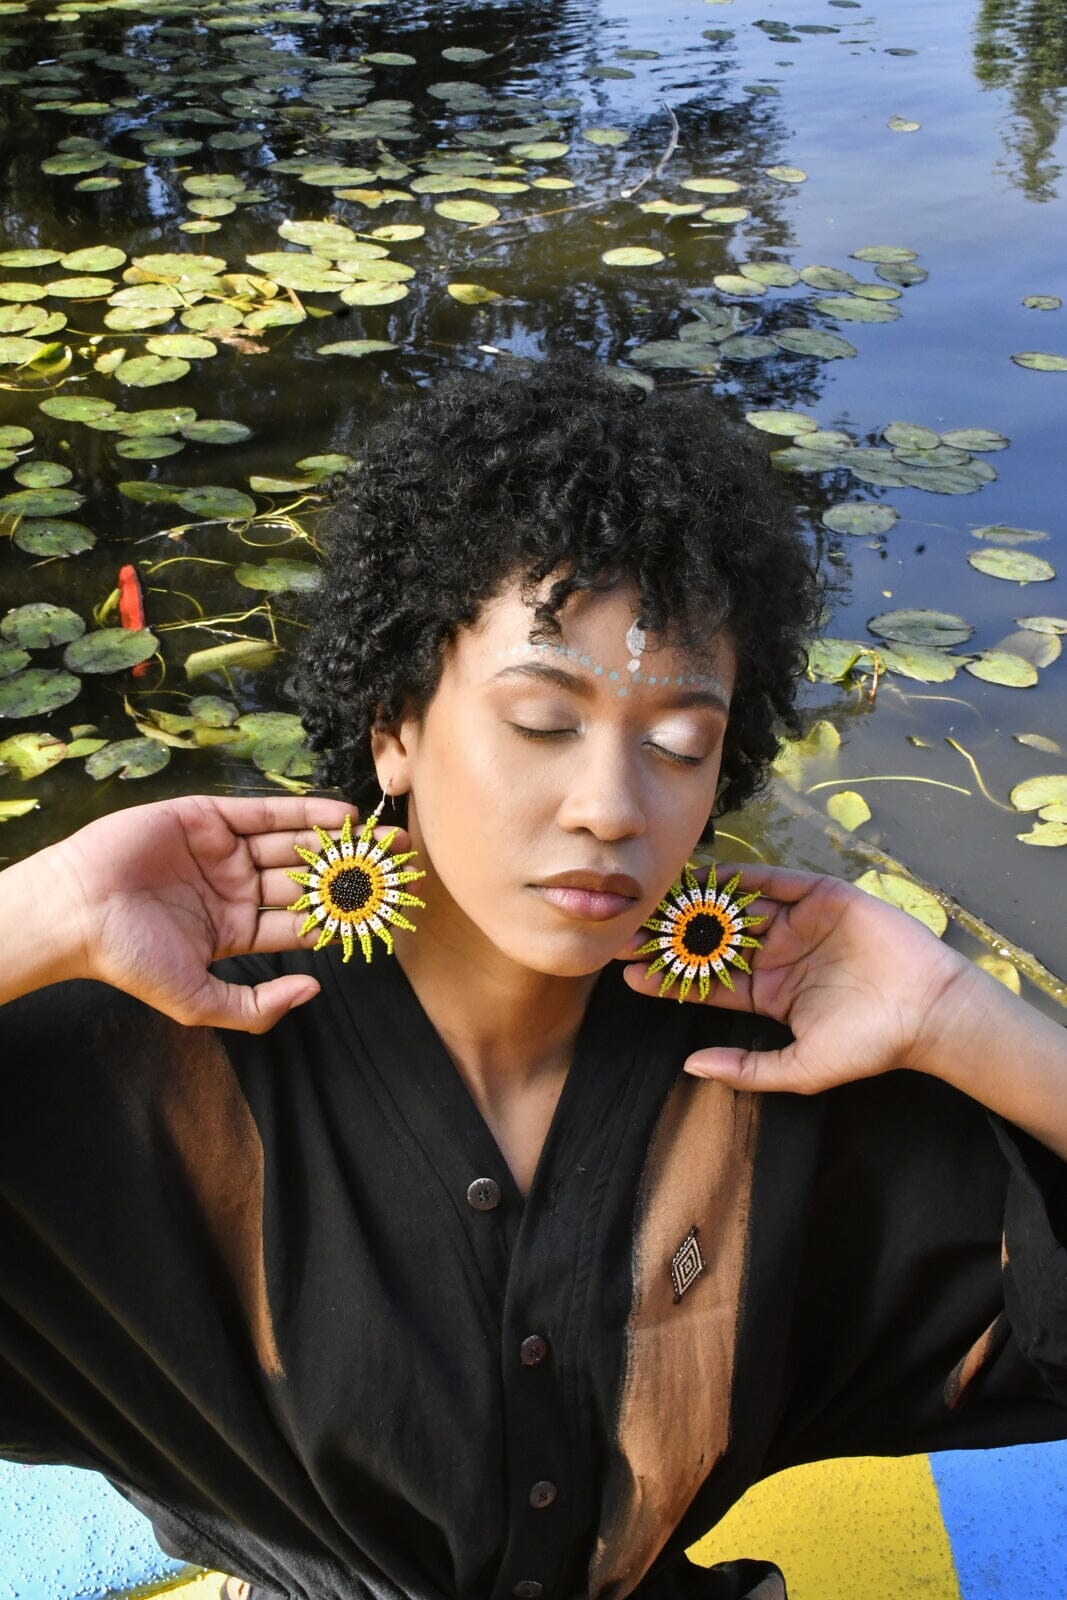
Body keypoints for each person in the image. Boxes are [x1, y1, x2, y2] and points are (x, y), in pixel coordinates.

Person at [1, 357, 1066, 1600]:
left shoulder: (777, 1079)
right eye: (542, 723)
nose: (609, 806)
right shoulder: (172, 1047)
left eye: (680, 744)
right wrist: (47, 912)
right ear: (394, 724)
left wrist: (956, 1017)